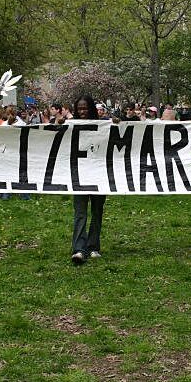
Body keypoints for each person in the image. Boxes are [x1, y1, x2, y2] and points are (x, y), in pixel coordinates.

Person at [71, 95, 107, 264]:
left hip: (100, 175)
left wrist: (116, 123)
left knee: (97, 212)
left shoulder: (103, 125)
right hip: (79, 176)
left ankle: (93, 247)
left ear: (91, 108)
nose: (82, 111)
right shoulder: (70, 125)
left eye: (85, 108)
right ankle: (78, 249)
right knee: (80, 213)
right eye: (79, 109)